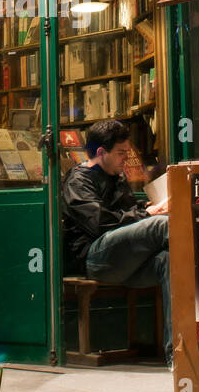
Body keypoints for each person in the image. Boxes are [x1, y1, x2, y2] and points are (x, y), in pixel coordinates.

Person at [61, 119, 171, 364]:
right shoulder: (78, 181)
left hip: (125, 261)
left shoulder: (117, 178)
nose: (125, 158)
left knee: (169, 260)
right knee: (161, 224)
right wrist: (148, 215)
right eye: (121, 153)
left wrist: (147, 208)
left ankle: (176, 353)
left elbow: (129, 212)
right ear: (101, 152)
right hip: (95, 258)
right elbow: (99, 223)